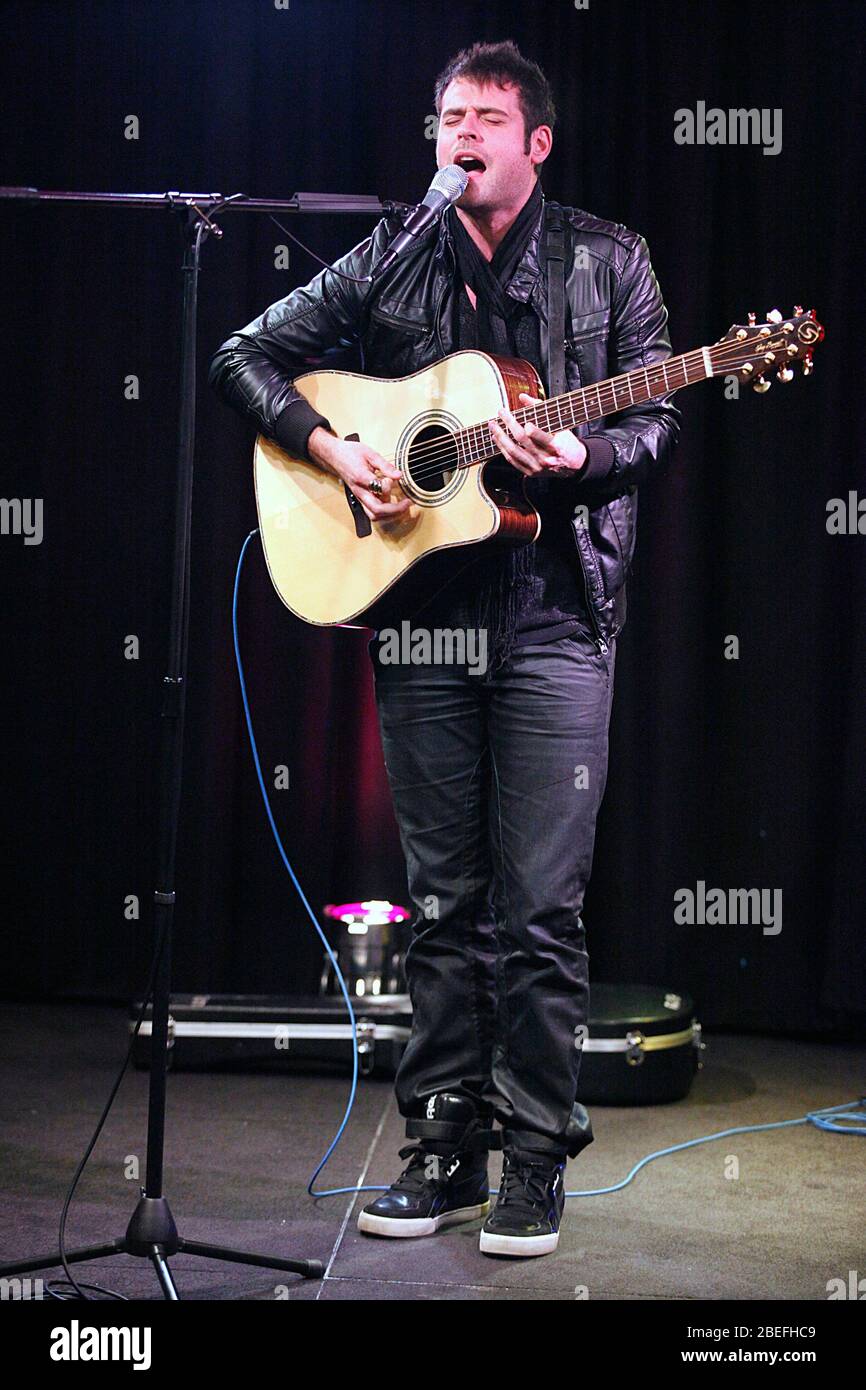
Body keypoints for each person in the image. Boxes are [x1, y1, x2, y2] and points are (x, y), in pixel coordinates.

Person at [210, 39, 680, 1258]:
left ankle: (533, 1162)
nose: (459, 133)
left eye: (485, 117)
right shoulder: (394, 255)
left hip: (555, 616)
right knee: (444, 903)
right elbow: (243, 357)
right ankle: (440, 1149)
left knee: (537, 909)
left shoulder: (606, 258)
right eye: (446, 117)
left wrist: (583, 456)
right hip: (422, 619)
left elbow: (654, 415)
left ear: (535, 142)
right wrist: (334, 449)